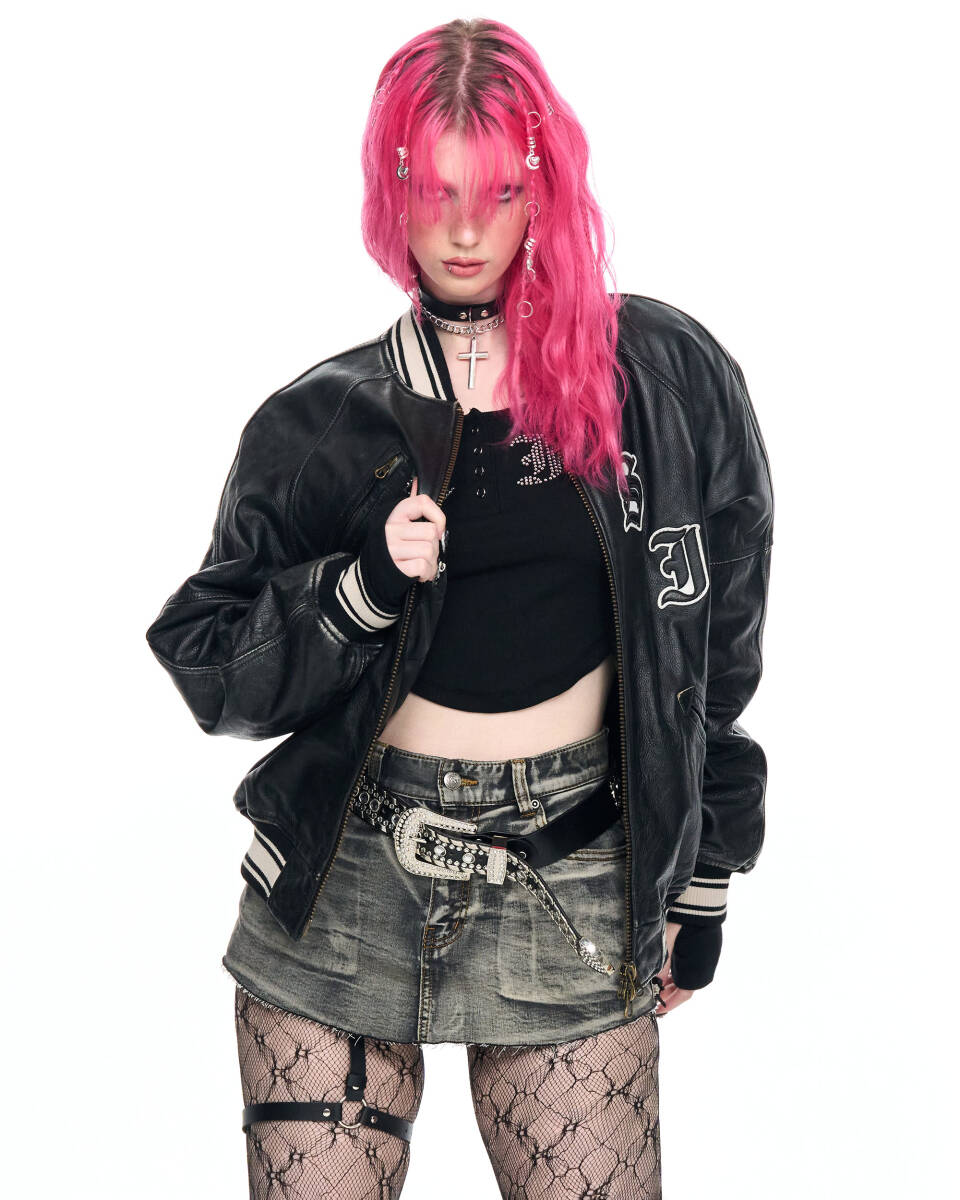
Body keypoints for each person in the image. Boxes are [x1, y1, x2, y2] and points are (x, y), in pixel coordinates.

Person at [145, 17, 774, 1199]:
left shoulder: (666, 382)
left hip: (571, 870)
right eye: (437, 192)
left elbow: (716, 649)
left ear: (546, 188)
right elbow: (207, 659)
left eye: (499, 192)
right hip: (345, 882)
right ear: (394, 192)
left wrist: (706, 876)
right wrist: (360, 592)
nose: (468, 230)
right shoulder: (323, 422)